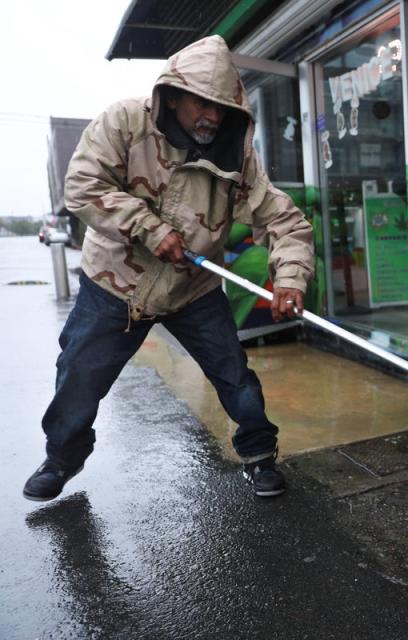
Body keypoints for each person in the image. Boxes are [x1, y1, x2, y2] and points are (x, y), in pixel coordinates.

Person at [23, 35, 314, 502]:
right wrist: (150, 229)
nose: (212, 117)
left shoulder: (235, 154)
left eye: (222, 107)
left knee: (235, 378)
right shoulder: (123, 122)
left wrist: (290, 279)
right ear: (172, 95)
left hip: (193, 290)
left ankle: (259, 457)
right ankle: (61, 459)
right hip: (115, 285)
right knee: (79, 376)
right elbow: (81, 186)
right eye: (202, 104)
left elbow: (285, 220)